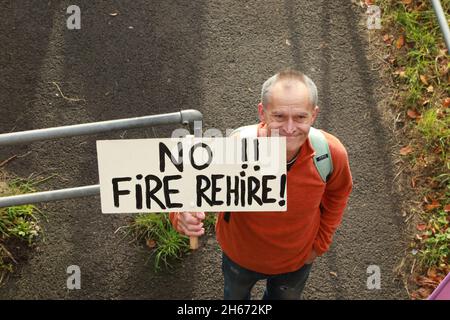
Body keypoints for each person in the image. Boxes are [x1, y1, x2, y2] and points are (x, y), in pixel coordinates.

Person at [170, 69, 353, 300]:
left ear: (313, 115)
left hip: (296, 261)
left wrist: (319, 245)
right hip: (238, 257)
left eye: (300, 117)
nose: (289, 128)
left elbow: (339, 193)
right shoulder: (236, 147)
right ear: (262, 113)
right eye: (278, 117)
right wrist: (180, 215)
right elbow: (189, 187)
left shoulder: (329, 153)